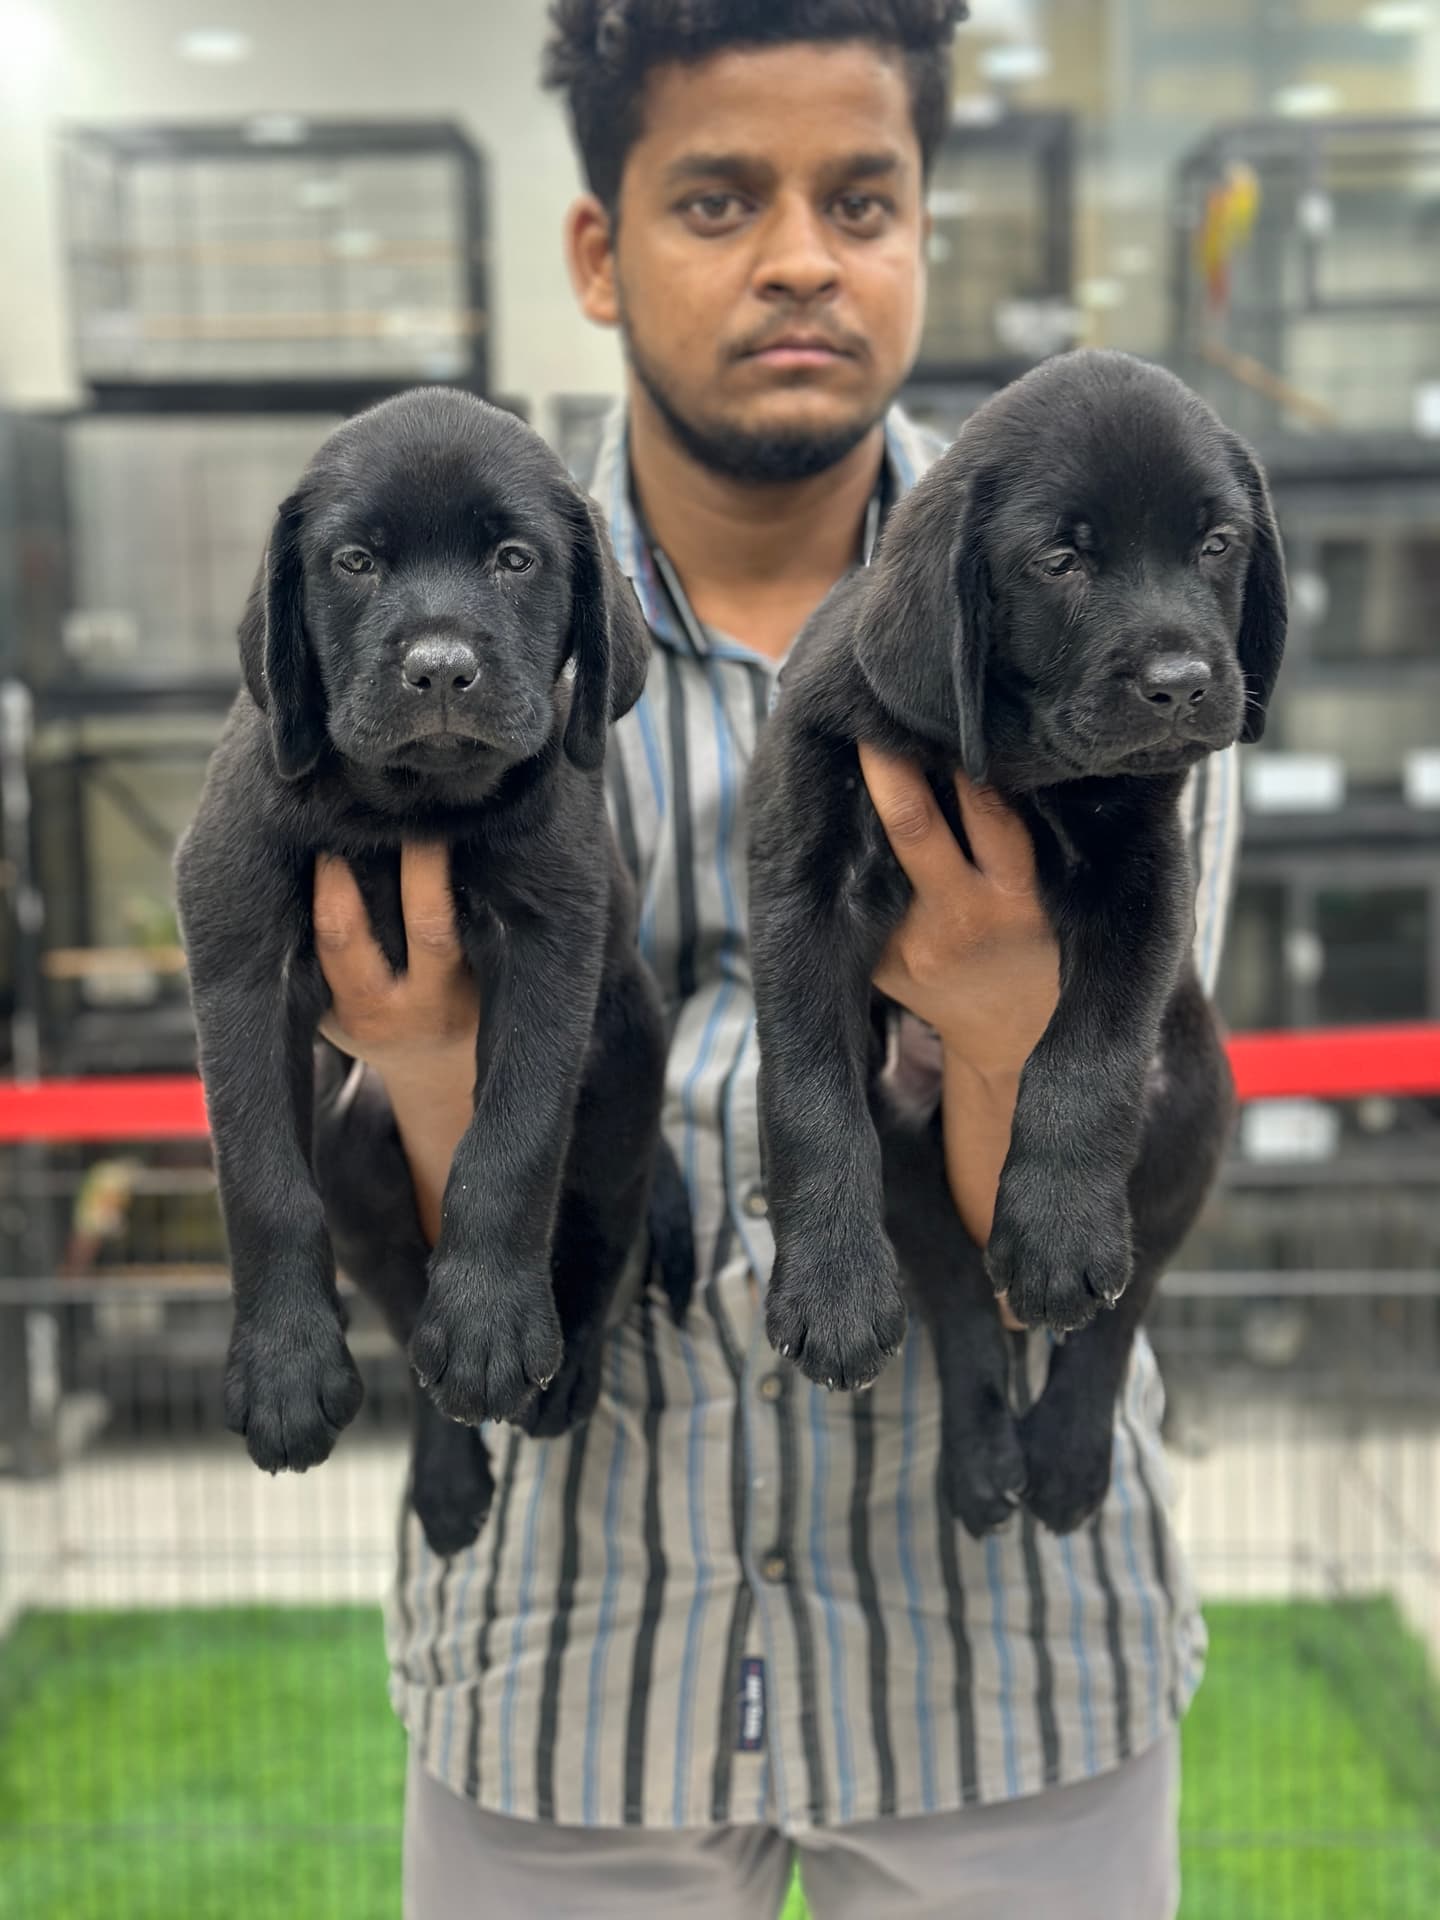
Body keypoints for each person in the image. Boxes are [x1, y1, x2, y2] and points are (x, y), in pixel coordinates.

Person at [311, 5, 1240, 1914]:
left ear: (924, 230)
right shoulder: (451, 620)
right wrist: (418, 1075)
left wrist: (1001, 1039)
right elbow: (417, 1202)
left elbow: (1088, 1202)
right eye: (721, 197)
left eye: (863, 197)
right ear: (600, 248)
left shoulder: (1116, 645)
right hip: (562, 1665)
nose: (802, 254)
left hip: (1009, 1670)